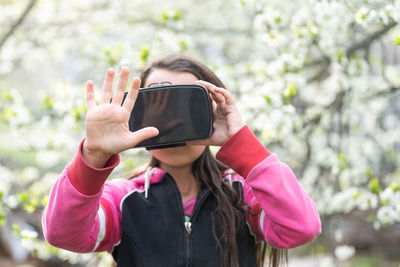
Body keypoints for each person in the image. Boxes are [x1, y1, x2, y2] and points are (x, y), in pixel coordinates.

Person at [42, 55, 321, 267]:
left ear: (212, 112)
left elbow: (301, 228)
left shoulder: (244, 194)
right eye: (158, 106)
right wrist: (93, 154)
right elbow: (63, 234)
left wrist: (241, 142)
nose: (173, 123)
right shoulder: (122, 200)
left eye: (187, 106)